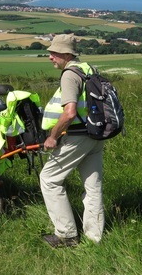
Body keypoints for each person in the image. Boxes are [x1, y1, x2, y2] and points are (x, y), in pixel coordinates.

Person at [39, 34, 105, 248]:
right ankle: (94, 239)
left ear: (67, 54)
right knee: (93, 188)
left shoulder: (69, 74)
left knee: (49, 179)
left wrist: (53, 136)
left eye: (54, 53)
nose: (50, 57)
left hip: (77, 137)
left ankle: (67, 235)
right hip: (96, 135)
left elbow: (69, 113)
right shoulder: (88, 68)